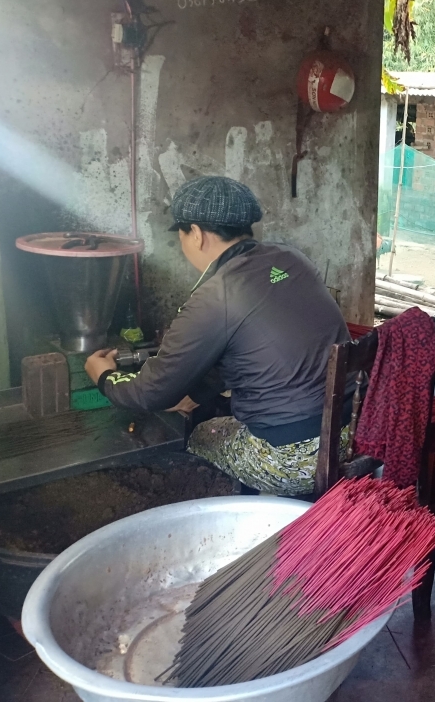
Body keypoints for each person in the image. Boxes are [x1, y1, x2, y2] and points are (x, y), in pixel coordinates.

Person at [85, 176, 351, 495]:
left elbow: (149, 394)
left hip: (290, 458)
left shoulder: (216, 295)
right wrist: (196, 392)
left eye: (181, 236)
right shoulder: (291, 259)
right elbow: (260, 344)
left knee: (201, 436)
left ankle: (240, 519)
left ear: (195, 234)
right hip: (349, 430)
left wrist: (104, 376)